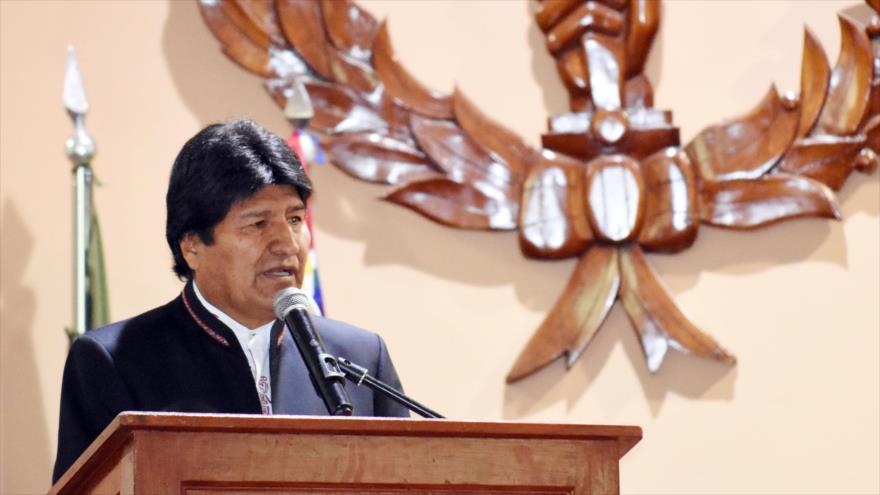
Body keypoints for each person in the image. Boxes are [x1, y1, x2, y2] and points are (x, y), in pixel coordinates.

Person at [52, 119, 409, 483]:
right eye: (258, 224)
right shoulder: (115, 361)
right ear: (192, 245)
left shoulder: (362, 357)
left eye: (295, 219)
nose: (287, 244)